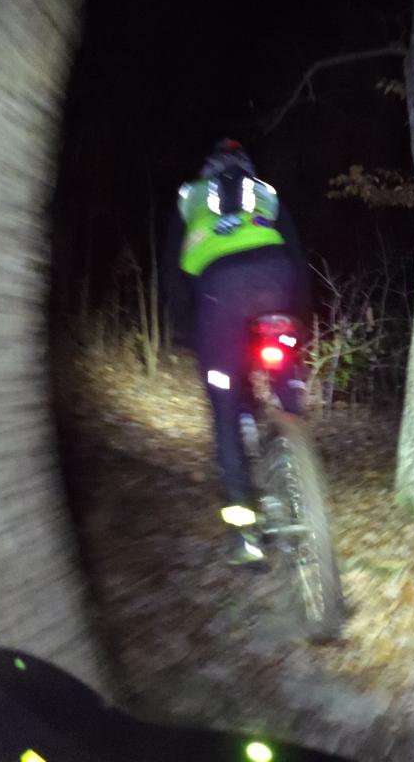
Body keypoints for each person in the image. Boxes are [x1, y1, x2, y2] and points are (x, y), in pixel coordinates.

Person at [163, 139, 311, 566]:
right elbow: (296, 256)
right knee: (283, 367)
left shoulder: (190, 197)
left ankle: (246, 534)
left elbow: (173, 273)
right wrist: (298, 318)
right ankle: (293, 435)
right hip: (276, 278)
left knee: (225, 402)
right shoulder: (266, 193)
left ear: (209, 168)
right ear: (246, 168)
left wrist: (188, 329)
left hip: (219, 294)